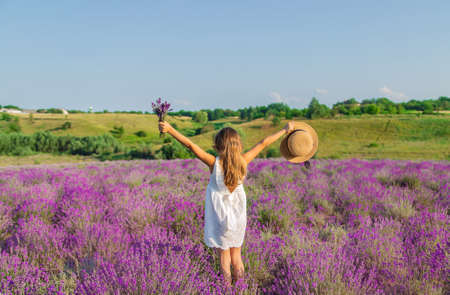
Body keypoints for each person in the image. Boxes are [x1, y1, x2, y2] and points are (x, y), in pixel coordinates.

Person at [159, 120, 295, 286]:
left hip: (220, 218)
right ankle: (241, 288)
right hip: (238, 218)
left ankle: (227, 289)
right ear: (238, 145)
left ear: (217, 146)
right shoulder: (243, 161)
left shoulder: (213, 163)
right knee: (237, 257)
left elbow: (190, 145)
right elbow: (264, 142)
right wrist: (284, 130)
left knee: (224, 258)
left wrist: (170, 129)